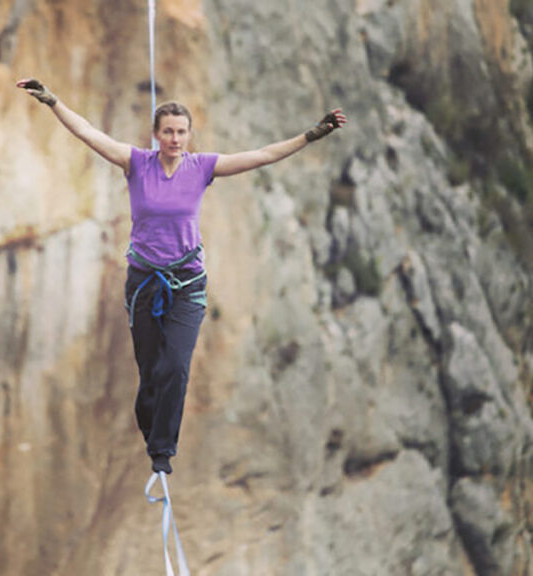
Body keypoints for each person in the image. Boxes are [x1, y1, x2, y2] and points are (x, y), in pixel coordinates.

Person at [17, 78, 347, 475]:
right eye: (168, 132)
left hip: (187, 282)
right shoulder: (136, 162)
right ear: (156, 135)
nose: (175, 139)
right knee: (151, 370)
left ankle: (162, 449)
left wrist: (310, 135)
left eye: (181, 132)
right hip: (143, 280)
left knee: (175, 365)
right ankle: (149, 423)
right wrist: (54, 101)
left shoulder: (202, 167)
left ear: (190, 135)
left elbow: (262, 155)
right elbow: (88, 132)